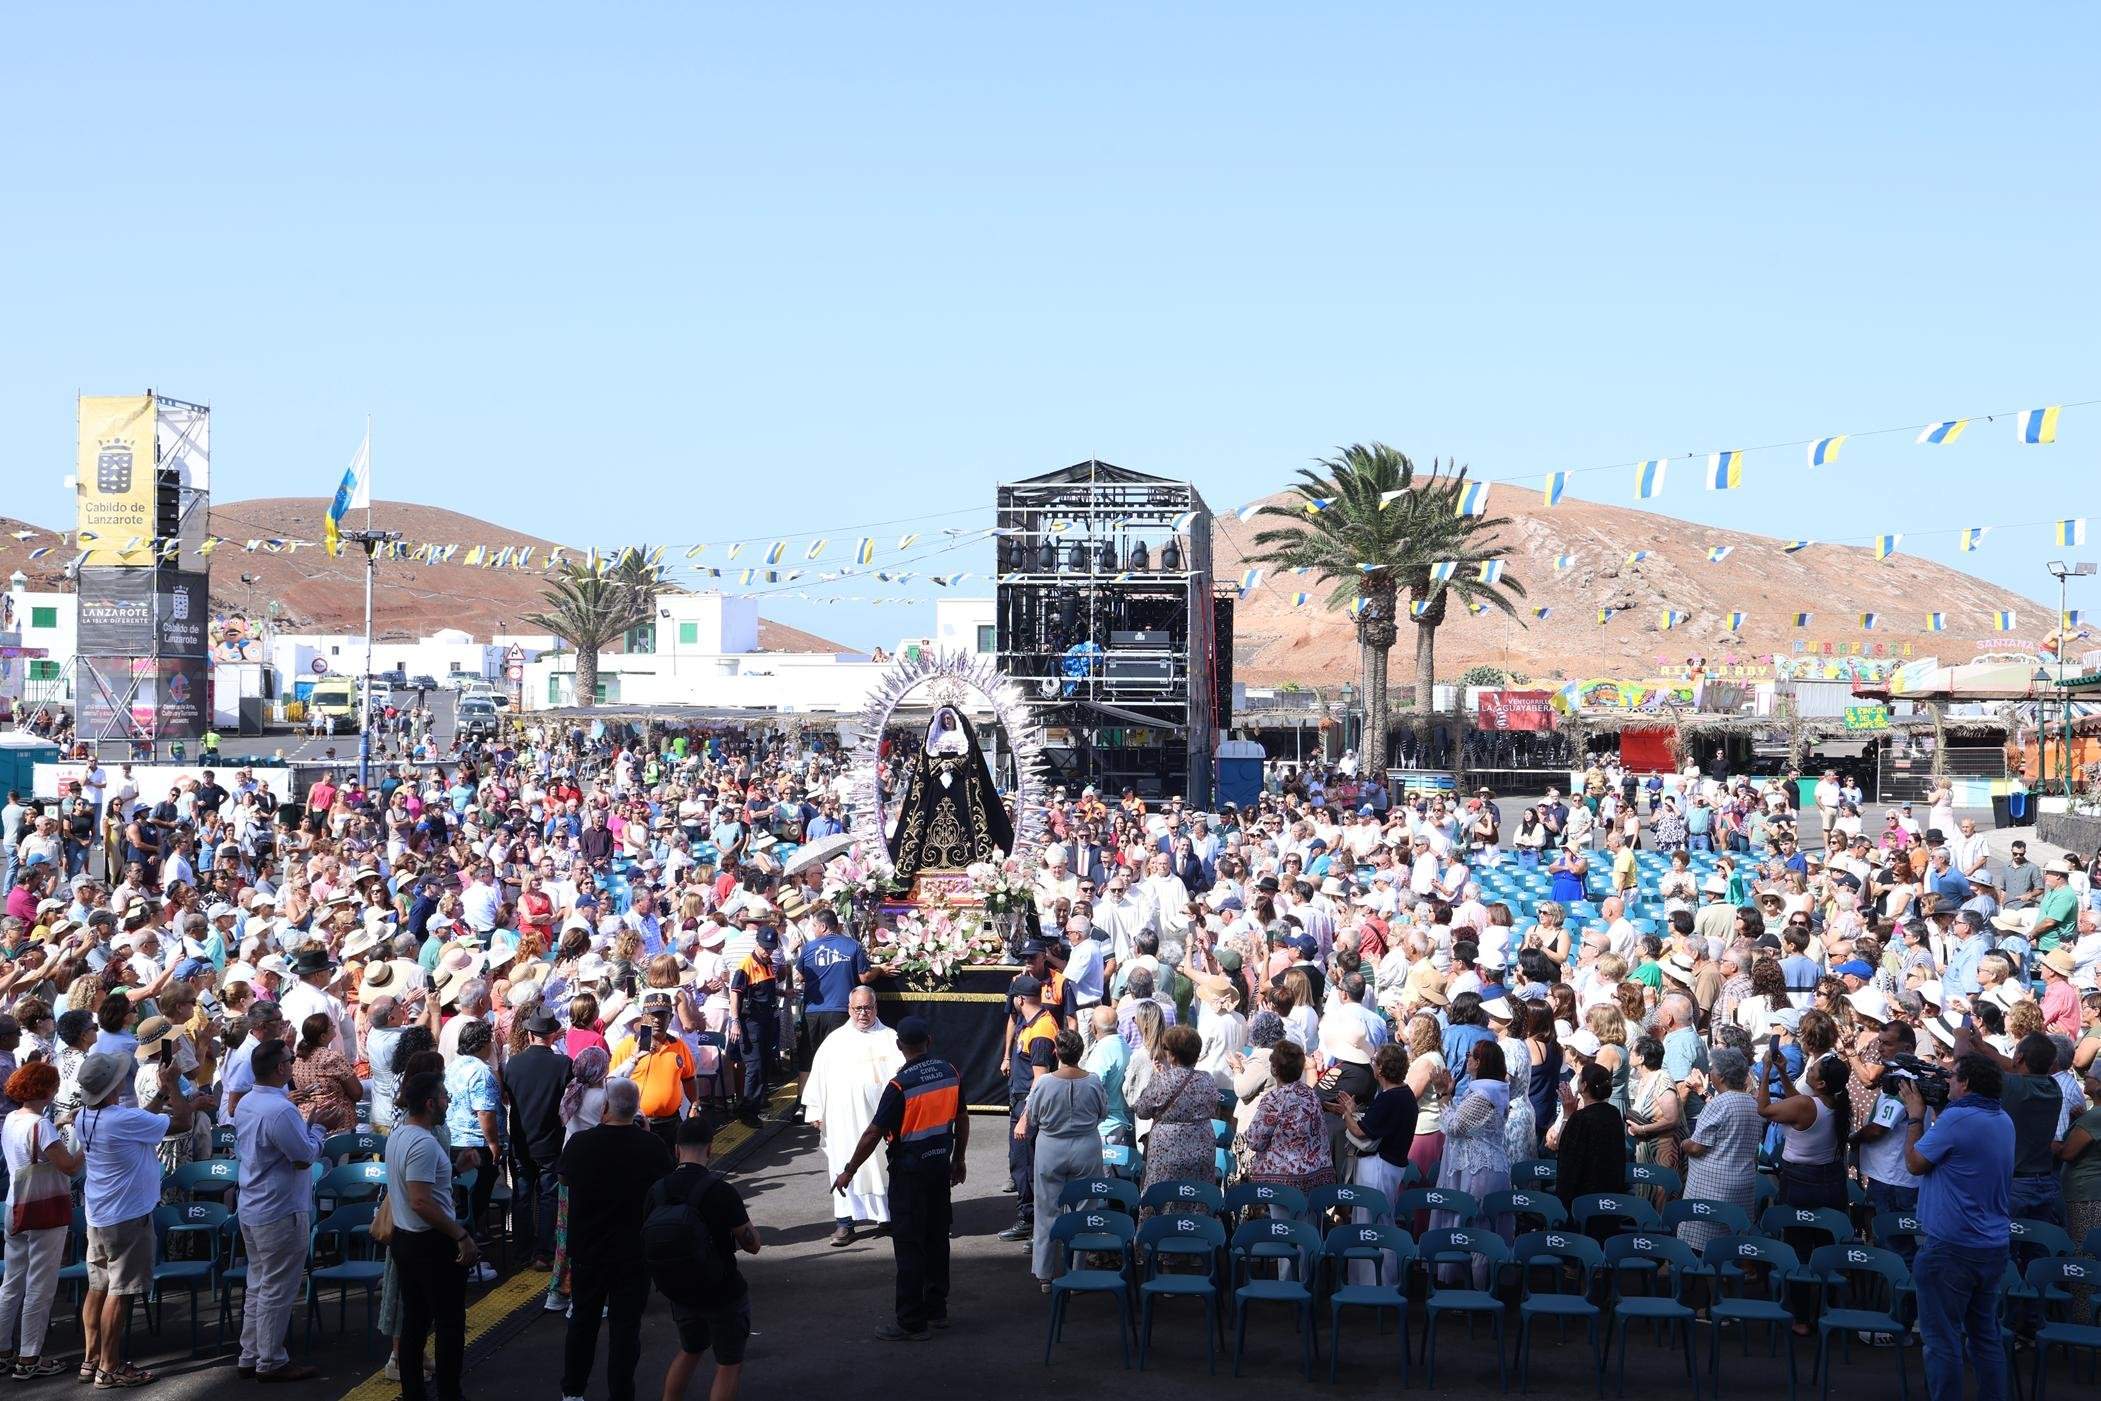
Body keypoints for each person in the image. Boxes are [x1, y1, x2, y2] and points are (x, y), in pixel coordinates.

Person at [829, 1016, 969, 1342]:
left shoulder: (899, 1086)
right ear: (929, 1041)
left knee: (909, 1247)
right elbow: (961, 1119)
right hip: (939, 1172)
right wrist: (958, 1158)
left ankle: (910, 1321)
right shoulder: (950, 1073)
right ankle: (937, 1310)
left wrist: (849, 1170)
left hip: (909, 1176)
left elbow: (873, 1133)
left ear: (899, 1046)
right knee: (937, 1241)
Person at [1899, 1053, 2013, 1401]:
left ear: (1966, 1084)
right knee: (1984, 1336)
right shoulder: (2002, 1118)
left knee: (1941, 1340)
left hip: (1951, 1247)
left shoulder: (1958, 1119)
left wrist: (1915, 1117)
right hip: (1992, 1245)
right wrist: (1937, 1111)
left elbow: (1916, 1163)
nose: (1947, 1081)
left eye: (1952, 1078)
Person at [558, 1077, 675, 1401]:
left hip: (588, 1247)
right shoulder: (651, 1147)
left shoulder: (581, 1144)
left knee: (583, 1320)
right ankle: (621, 1392)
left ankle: (573, 1391)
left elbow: (564, 1178)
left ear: (606, 1107)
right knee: (626, 1329)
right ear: (636, 1109)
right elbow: (665, 1185)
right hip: (633, 1251)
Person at [233, 1039, 328, 1381]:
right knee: (276, 1287)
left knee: (258, 1283)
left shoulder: (247, 1103)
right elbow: (303, 1158)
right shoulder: (280, 1109)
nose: (293, 1063)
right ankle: (270, 1360)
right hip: (280, 1209)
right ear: (281, 1069)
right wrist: (318, 1128)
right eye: (289, 1059)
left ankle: (251, 1353)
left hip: (254, 1205)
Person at [74, 1053, 165, 1388]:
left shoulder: (85, 1115)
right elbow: (176, 1122)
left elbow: (143, 1121)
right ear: (113, 1086)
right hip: (126, 1215)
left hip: (99, 1213)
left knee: (98, 1286)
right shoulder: (119, 1118)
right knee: (120, 1291)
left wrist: (162, 1095)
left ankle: (91, 1360)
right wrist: (169, 1090)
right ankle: (109, 1367)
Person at [656, 1113, 762, 1401]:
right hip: (722, 1289)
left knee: (690, 1350)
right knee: (728, 1364)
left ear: (676, 1149)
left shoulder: (658, 1190)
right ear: (710, 1148)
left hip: (679, 1289)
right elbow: (752, 1243)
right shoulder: (721, 1191)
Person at [387, 1070, 478, 1401]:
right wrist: (460, 1235)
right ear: (429, 1103)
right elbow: (421, 1200)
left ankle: (415, 1393)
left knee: (415, 1320)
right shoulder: (424, 1143)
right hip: (431, 1243)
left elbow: (424, 1187)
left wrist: (456, 1169)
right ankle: (450, 1394)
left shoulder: (400, 1135)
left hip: (406, 1239)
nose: (447, 1103)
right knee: (449, 1323)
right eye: (444, 1098)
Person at [0, 1062, 83, 1378]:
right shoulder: (41, 1125)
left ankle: (4, 1350)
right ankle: (30, 1356)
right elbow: (69, 1166)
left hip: (15, 1203)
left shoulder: (12, 1119)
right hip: (44, 1207)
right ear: (47, 1090)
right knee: (41, 1284)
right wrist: (85, 1146)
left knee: (12, 1281)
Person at [803, 987, 902, 1246]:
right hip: (843, 1120)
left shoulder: (890, 1038)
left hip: (879, 1119)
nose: (863, 1013)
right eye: (857, 1008)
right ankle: (845, 1222)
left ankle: (887, 1218)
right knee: (843, 1164)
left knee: (882, 1167)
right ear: (849, 1009)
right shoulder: (835, 1041)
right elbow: (818, 1078)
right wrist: (814, 1109)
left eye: (868, 1008)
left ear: (876, 1008)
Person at [1019, 1028, 1106, 1285]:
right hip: (1086, 1147)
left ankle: (1045, 1273)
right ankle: (1077, 1271)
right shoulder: (1093, 1080)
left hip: (1051, 1147)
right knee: (1085, 1209)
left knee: (1047, 1210)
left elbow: (1032, 1116)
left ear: (1056, 1052)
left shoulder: (1045, 1083)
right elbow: (1103, 1111)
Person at [503, 1009, 574, 1270]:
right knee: (547, 1197)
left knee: (521, 1197)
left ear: (530, 1033)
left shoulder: (514, 1063)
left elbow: (507, 1098)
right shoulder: (563, 1064)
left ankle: (522, 1252)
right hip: (550, 1140)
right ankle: (544, 1253)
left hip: (521, 1141)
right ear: (553, 1034)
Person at [1133, 1024, 1218, 1192]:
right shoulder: (1207, 1079)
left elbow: (1142, 1110)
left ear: (1172, 1055)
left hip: (1167, 1148)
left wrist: (1159, 1079)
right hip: (1201, 1145)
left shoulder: (1162, 1080)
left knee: (1163, 1195)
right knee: (1197, 1195)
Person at [1546, 1061, 1627, 1209]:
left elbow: (1561, 1146)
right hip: (1609, 1196)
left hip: (1581, 1197)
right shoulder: (1614, 1114)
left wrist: (1567, 1114)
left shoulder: (1581, 1118)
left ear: (1583, 1086)